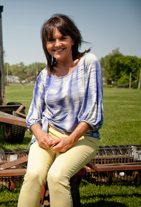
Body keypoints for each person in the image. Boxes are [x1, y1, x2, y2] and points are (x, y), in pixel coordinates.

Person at [18, 14, 104, 207]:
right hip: (48, 135)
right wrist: (39, 134)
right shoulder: (45, 74)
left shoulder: (88, 63)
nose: (57, 44)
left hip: (83, 137)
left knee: (56, 176)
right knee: (33, 175)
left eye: (62, 38)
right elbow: (33, 115)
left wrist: (70, 139)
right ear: (46, 45)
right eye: (51, 40)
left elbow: (94, 113)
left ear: (73, 39)